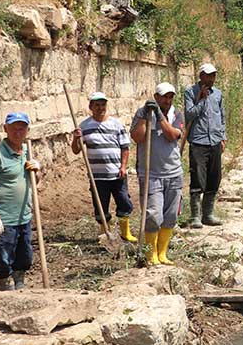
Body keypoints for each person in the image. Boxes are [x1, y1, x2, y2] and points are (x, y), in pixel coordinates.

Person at [0, 112, 41, 291]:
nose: (18, 131)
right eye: (14, 127)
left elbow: (34, 182)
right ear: (5, 128)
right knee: (4, 261)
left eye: (22, 128)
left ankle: (20, 287)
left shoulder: (27, 152)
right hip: (4, 220)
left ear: (27, 130)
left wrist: (36, 171)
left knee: (24, 258)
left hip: (24, 217)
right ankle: (5, 295)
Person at [131, 83, 185, 266]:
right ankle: (150, 253)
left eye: (170, 97)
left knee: (170, 216)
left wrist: (160, 116)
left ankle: (162, 253)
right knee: (153, 215)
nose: (166, 100)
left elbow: (172, 135)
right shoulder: (142, 113)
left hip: (173, 173)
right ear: (156, 97)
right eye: (163, 97)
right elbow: (138, 137)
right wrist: (147, 117)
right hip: (150, 174)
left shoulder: (176, 114)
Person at [71, 91, 134, 242]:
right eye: (97, 105)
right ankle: (106, 233)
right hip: (97, 176)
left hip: (117, 174)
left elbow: (125, 148)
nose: (100, 108)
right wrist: (76, 138)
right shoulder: (84, 126)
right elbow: (75, 150)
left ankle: (126, 233)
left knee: (124, 201)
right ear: (90, 107)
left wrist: (123, 167)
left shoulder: (116, 124)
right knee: (101, 206)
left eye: (103, 104)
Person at [184, 62, 227, 228]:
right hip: (198, 141)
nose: (211, 79)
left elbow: (221, 117)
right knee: (197, 177)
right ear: (200, 76)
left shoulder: (218, 94)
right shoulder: (190, 92)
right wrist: (201, 99)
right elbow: (190, 114)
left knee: (214, 177)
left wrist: (223, 137)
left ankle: (208, 215)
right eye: (208, 75)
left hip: (215, 140)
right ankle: (195, 217)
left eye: (213, 75)